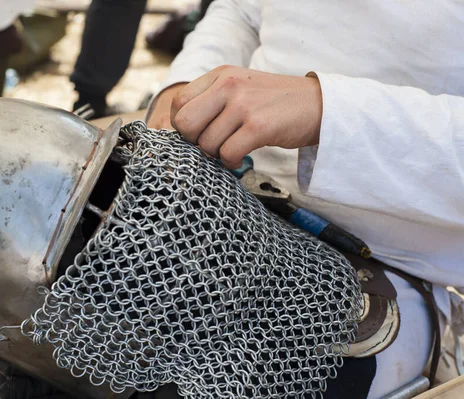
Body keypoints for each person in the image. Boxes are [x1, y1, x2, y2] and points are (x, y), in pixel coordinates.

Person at [145, 0, 464, 397]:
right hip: (214, 189)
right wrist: (187, 86)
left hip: (376, 269)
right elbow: (241, 13)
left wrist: (327, 112)